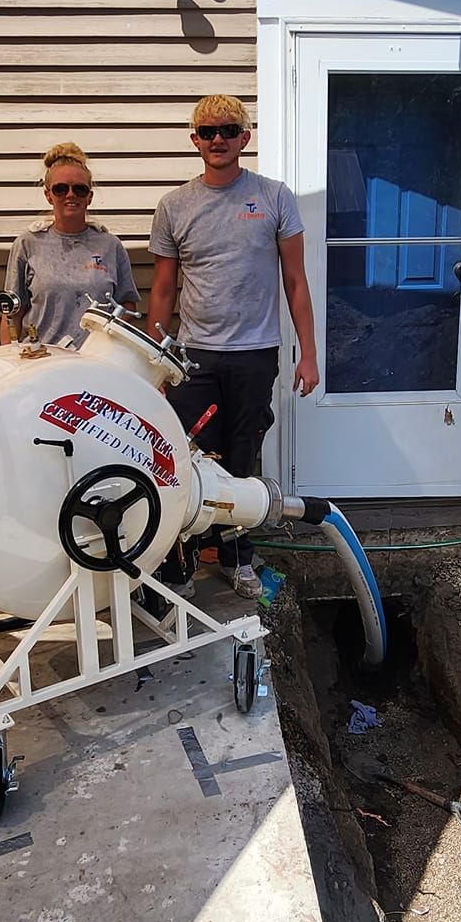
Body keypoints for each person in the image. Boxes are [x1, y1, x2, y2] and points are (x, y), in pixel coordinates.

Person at [147, 93, 318, 601]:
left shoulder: (273, 197)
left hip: (254, 353)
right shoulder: (174, 206)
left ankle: (239, 557)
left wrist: (308, 353)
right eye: (206, 132)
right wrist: (154, 360)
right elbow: (161, 290)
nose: (217, 139)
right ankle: (184, 561)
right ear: (194, 141)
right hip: (193, 357)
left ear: (245, 137)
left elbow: (296, 281)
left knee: (243, 457)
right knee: (187, 457)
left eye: (227, 130)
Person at [1, 141, 139, 345]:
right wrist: (8, 362)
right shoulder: (28, 243)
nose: (71, 195)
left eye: (79, 189)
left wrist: (103, 337)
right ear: (48, 195)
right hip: (41, 361)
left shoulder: (110, 246)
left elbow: (128, 306)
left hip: (96, 364)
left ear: (89, 197)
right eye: (61, 189)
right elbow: (11, 313)